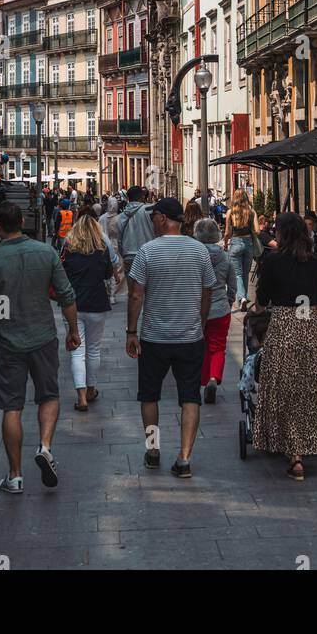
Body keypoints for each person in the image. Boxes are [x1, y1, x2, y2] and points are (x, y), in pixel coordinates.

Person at [0, 201, 80, 496]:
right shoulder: (46, 252)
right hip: (43, 337)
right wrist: (72, 329)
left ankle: (15, 476)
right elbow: (66, 295)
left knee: (11, 406)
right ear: (23, 221)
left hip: (9, 342)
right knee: (49, 395)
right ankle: (45, 446)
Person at [125, 197, 216, 479]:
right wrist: (200, 322)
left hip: (154, 337)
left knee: (149, 396)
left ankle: (153, 450)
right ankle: (184, 457)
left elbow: (137, 294)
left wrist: (131, 331)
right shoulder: (200, 251)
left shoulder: (147, 252)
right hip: (190, 337)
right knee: (190, 397)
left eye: (154, 217)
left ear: (164, 218)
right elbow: (207, 290)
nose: (152, 221)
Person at [253, 212, 317, 481]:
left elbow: (261, 300)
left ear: (281, 233)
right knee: (307, 386)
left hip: (283, 324)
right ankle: (305, 443)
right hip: (308, 323)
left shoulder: (272, 260)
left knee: (281, 385)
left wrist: (264, 308)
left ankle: (290, 448)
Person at [61, 213, 119, 411]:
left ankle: (81, 397)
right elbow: (108, 274)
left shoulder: (68, 249)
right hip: (96, 303)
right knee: (93, 349)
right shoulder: (101, 251)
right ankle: (91, 389)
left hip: (73, 305)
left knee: (77, 350)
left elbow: (61, 273)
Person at [193, 217, 236, 404]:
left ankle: (203, 381)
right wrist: (229, 300)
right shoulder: (225, 257)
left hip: (197, 309)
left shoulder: (194, 256)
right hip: (220, 309)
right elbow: (232, 285)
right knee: (217, 347)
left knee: (200, 347)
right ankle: (213, 378)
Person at [223, 190, 259, 311]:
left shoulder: (230, 212)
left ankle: (242, 298)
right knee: (245, 273)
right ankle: (243, 298)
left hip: (235, 243)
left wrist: (225, 244)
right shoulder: (252, 212)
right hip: (248, 243)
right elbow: (257, 230)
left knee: (237, 274)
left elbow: (227, 232)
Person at [116, 184, 155, 274]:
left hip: (129, 256)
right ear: (142, 197)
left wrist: (124, 254)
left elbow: (119, 240)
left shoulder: (121, 217)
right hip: (148, 254)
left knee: (133, 287)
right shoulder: (149, 210)